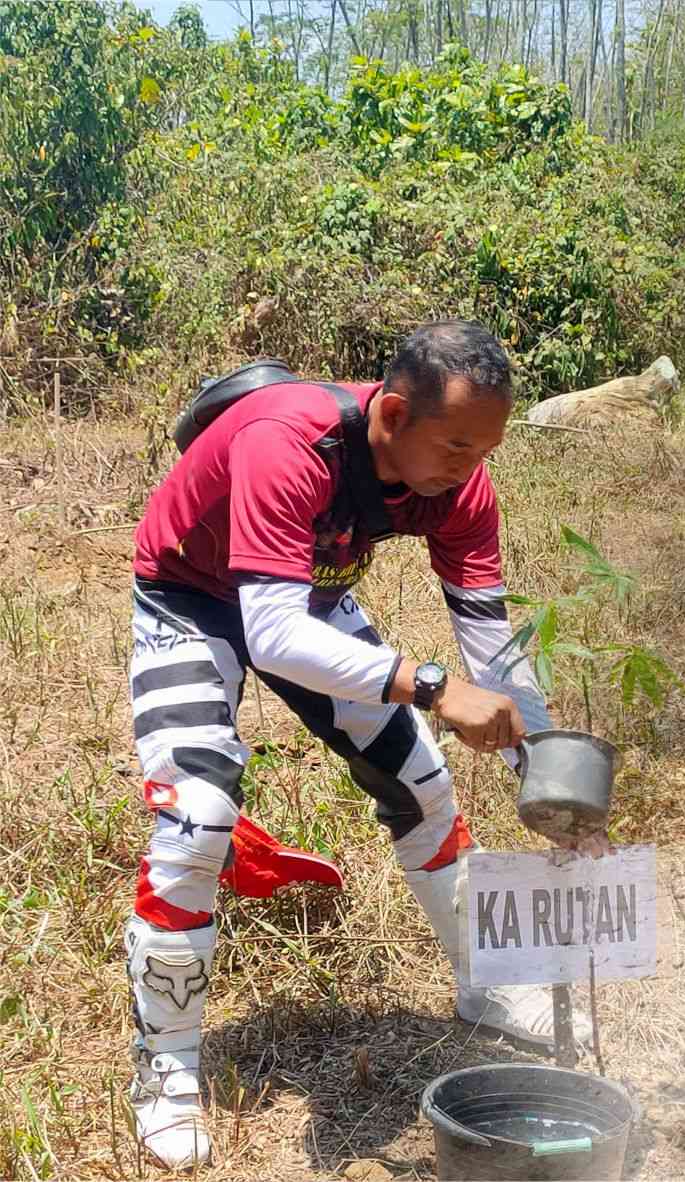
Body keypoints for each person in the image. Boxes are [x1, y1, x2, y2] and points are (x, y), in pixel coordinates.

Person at [124, 322, 609, 1167]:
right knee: (195, 820)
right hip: (192, 595)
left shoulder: (464, 490)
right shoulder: (292, 443)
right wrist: (428, 685)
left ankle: (485, 983)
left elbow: (491, 653)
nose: (470, 466)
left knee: (422, 784)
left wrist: (545, 771)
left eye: (486, 447)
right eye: (456, 443)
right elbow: (271, 636)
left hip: (305, 594)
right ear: (390, 413)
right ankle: (165, 1067)